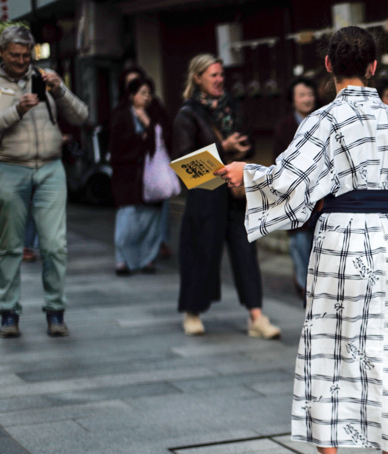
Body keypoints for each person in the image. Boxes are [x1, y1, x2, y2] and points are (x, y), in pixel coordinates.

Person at [217, 26, 388, 454]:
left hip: (341, 233)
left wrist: (247, 175)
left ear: (328, 68)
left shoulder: (322, 120)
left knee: (329, 344)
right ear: (375, 68)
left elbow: (291, 181)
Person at [0, 25, 89, 338]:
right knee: (10, 246)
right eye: (15, 56)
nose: (22, 61)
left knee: (55, 246)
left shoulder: (45, 79)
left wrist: (61, 89)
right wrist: (16, 111)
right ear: (2, 53)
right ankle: (9, 313)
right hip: (9, 169)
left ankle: (55, 311)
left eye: (27, 55)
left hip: (50, 169)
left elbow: (81, 116)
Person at [173, 54, 281, 339]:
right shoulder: (187, 114)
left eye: (221, 74)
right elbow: (185, 163)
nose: (220, 80)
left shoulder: (232, 107)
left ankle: (256, 315)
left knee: (246, 253)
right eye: (213, 75)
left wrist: (241, 147)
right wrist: (223, 146)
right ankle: (192, 312)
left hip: (236, 192)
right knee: (202, 254)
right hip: (206, 195)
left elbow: (250, 140)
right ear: (197, 78)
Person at [109, 76, 171, 275]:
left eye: (149, 94)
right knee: (127, 220)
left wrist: (147, 124)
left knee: (151, 220)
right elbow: (116, 145)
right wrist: (140, 138)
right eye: (142, 93)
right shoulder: (120, 115)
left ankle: (148, 260)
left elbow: (164, 139)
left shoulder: (155, 113)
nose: (146, 97)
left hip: (152, 175)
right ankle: (123, 261)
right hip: (127, 177)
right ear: (132, 95)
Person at [272, 76, 319, 301]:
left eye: (310, 94)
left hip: (322, 192)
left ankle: (316, 283)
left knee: (319, 239)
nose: (307, 99)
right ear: (292, 100)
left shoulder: (323, 121)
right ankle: (303, 283)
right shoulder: (284, 127)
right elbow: (278, 161)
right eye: (302, 95)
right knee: (299, 242)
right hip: (295, 193)